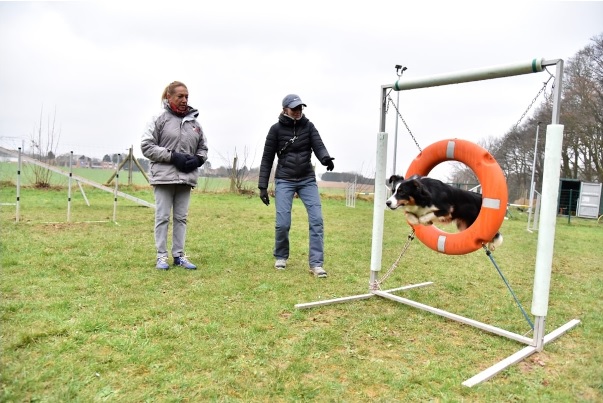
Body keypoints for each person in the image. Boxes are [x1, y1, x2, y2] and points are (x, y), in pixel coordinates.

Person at [258, 94, 335, 278]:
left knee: (317, 220)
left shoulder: (309, 126)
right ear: (285, 110)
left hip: (307, 179)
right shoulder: (275, 130)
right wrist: (262, 187)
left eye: (300, 108)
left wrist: (325, 158)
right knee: (283, 223)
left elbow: (318, 145)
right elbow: (267, 159)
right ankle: (281, 256)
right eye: (294, 108)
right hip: (284, 179)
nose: (298, 111)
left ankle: (316, 264)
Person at [141, 81, 208, 270]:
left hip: (186, 179)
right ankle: (161, 256)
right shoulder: (158, 119)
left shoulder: (195, 124)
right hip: (163, 178)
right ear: (168, 97)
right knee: (162, 217)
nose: (184, 100)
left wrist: (198, 160)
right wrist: (172, 156)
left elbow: (203, 148)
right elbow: (147, 146)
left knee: (181, 218)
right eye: (180, 96)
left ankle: (179, 255)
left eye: (187, 96)